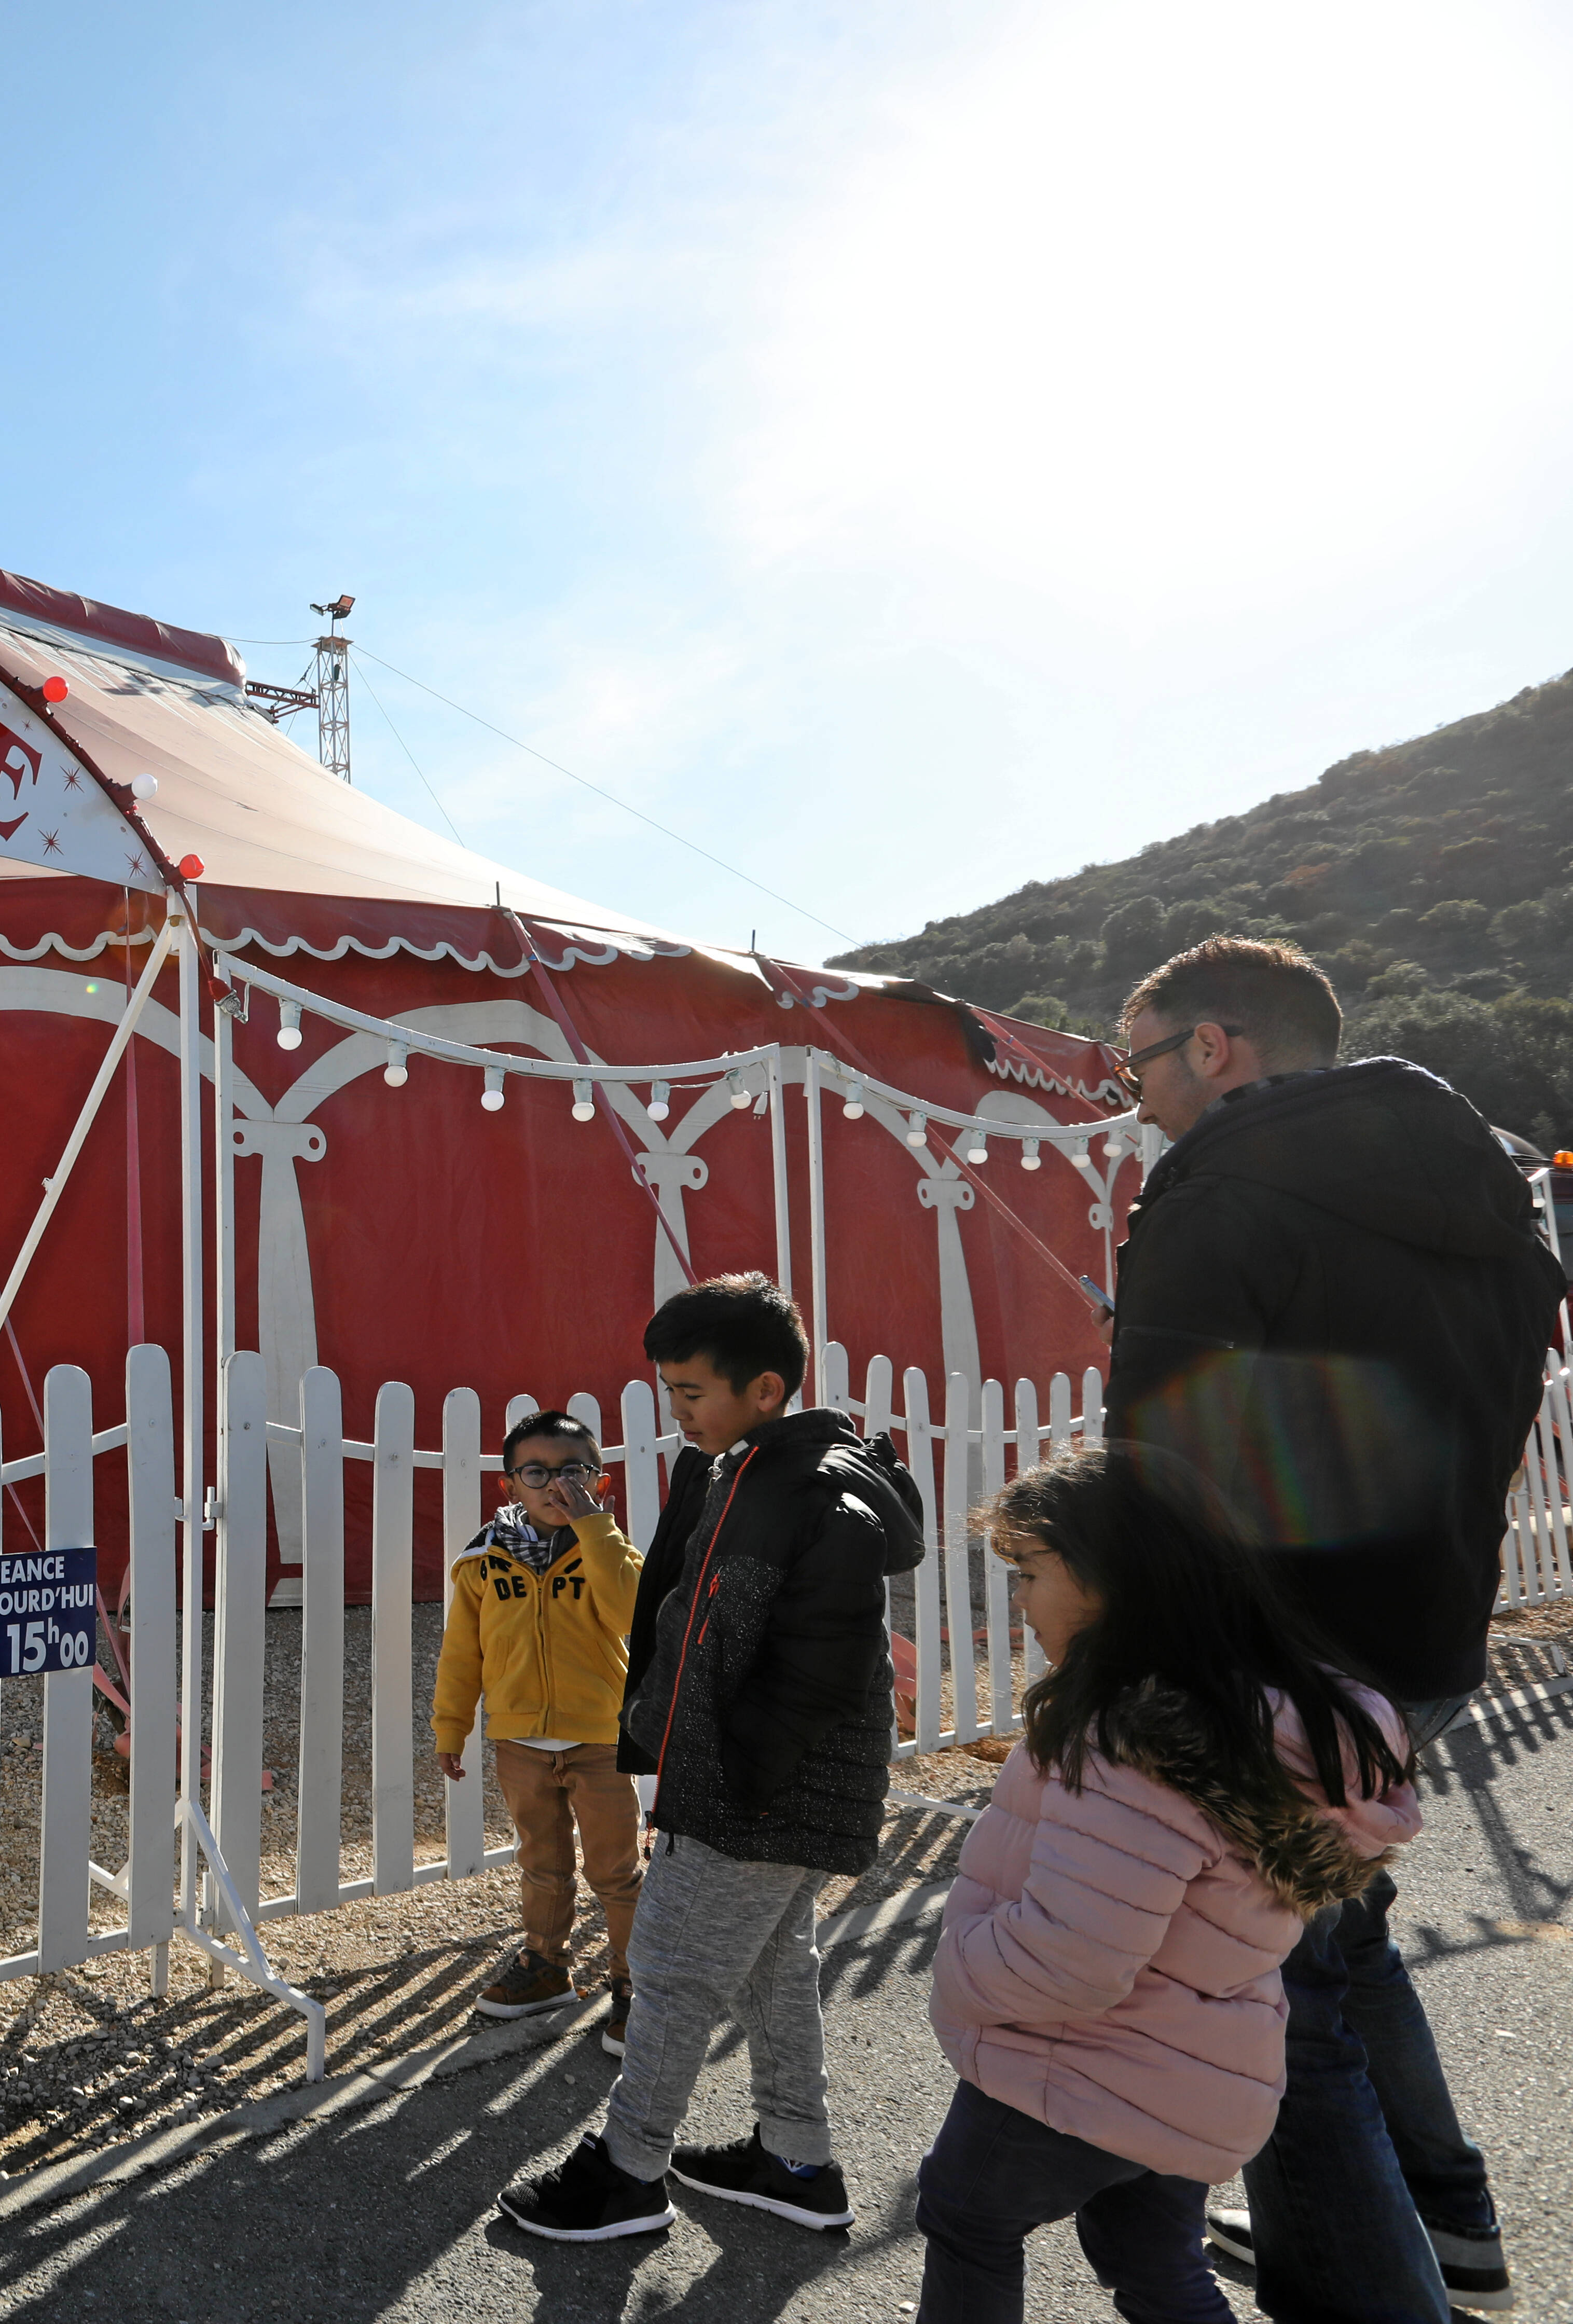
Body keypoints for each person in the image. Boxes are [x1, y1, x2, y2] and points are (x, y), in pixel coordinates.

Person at [1106, 937, 1560, 2319]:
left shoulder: (1218, 1200)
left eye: (1139, 1064)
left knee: (1276, 2002)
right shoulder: (1484, 1190)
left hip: (1278, 1665)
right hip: (1426, 1641)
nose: (1133, 1102)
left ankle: (1374, 2286)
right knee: (1339, 1941)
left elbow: (1154, 1469)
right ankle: (1450, 2219)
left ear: (1214, 1047)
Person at [915, 1442, 1417, 2323]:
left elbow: (1073, 1958)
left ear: (1113, 1578)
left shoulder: (1135, 1743)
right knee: (1153, 2262)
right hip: (1199, 2070)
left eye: (1030, 1572)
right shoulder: (1248, 1714)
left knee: (966, 2219)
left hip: (1076, 2063)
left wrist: (960, 1964)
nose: (1020, 1601)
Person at [501, 1273, 924, 2242]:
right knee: (775, 1965)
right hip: (750, 1778)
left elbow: (819, 1674)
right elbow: (678, 1612)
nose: (675, 1410)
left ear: (765, 1390)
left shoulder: (815, 1495)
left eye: (691, 1392)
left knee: (673, 1968)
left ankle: (627, 2169)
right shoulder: (735, 1468)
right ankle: (797, 2158)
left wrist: (728, 1782)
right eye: (669, 1389)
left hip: (764, 1786)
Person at [433, 1407, 646, 2049]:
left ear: (600, 1482)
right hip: (520, 1742)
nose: (555, 1485)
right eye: (536, 1472)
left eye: (574, 1472)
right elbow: (461, 1652)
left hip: (600, 1740)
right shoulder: (482, 1562)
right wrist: (451, 1726)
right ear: (509, 1486)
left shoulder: (608, 1549)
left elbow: (631, 1610)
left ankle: (635, 1985)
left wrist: (594, 1529)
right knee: (541, 1865)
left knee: (617, 1872)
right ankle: (547, 1968)